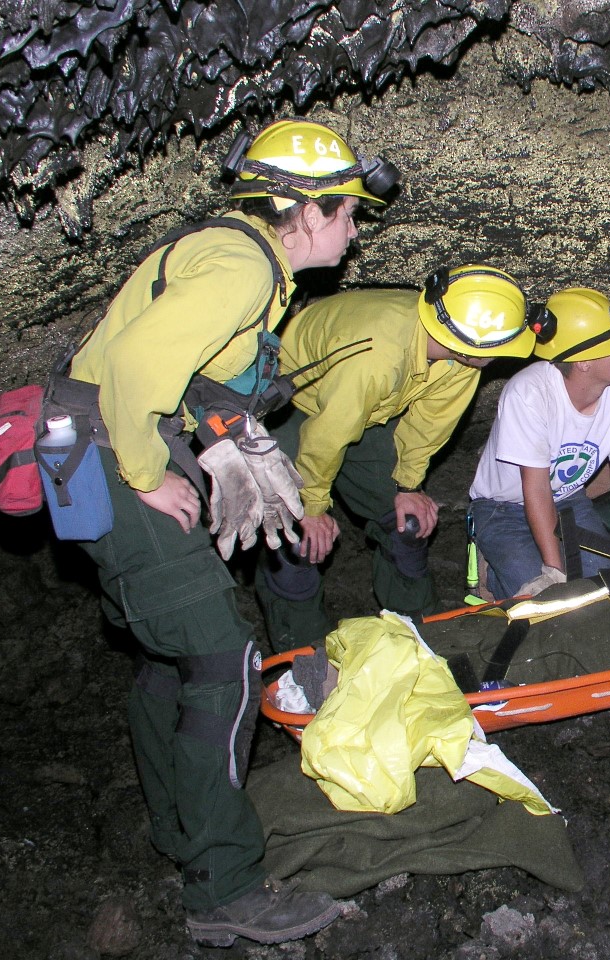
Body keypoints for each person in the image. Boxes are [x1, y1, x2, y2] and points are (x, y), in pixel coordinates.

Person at [57, 119, 396, 946]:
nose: (354, 232)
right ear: (304, 209)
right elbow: (133, 373)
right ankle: (224, 889)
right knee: (225, 660)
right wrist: (147, 472)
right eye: (347, 213)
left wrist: (226, 437)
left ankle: (180, 831)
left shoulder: (249, 265)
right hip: (111, 453)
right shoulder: (245, 265)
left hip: (91, 449)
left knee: (171, 661)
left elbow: (188, 373)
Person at [258, 266, 548, 647]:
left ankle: (419, 635)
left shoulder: (463, 355)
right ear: (467, 343)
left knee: (406, 524)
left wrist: (408, 484)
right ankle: (304, 660)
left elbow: (430, 424)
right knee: (296, 539)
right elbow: (326, 434)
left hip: (365, 412)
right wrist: (311, 506)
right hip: (291, 404)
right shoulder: (376, 354)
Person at [468, 287, 610, 600]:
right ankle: (496, 578)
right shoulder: (530, 393)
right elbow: (535, 487)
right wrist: (554, 572)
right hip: (503, 509)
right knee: (547, 602)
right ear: (583, 362)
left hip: (569, 502)